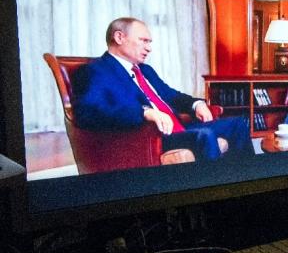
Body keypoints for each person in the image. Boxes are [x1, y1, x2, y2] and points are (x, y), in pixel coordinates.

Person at [72, 17, 252, 161]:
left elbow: (170, 95)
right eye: (143, 41)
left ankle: (245, 182)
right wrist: (144, 112)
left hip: (178, 128)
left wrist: (196, 104)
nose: (149, 48)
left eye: (149, 42)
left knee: (238, 123)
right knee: (204, 134)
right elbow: (88, 113)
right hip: (149, 137)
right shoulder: (95, 71)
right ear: (119, 37)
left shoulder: (145, 70)